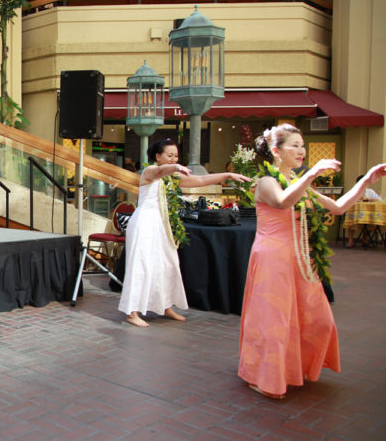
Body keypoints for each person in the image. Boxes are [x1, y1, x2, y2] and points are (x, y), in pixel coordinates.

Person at [238, 124, 386, 399]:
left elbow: (338, 207)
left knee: (318, 318)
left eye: (302, 144)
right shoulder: (265, 182)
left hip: (301, 259)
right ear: (275, 151)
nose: (301, 150)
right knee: (274, 321)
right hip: (272, 257)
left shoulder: (299, 183)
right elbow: (283, 202)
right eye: (294, 145)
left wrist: (365, 180)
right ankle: (261, 376)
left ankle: (297, 365)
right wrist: (312, 174)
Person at [119, 138, 251, 327]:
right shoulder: (149, 171)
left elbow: (200, 180)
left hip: (162, 224)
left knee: (169, 264)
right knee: (141, 264)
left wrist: (226, 175)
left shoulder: (173, 175)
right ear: (158, 156)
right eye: (169, 155)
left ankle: (165, 306)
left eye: (176, 156)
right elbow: (160, 171)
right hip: (144, 223)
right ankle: (132, 312)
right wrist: (176, 167)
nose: (173, 159)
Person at [345, 174, 382, 247]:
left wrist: (371, 199)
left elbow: (379, 199)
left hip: (367, 213)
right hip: (356, 212)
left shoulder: (370, 191)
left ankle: (365, 239)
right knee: (352, 222)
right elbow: (349, 200)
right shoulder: (354, 191)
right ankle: (350, 241)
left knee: (372, 221)